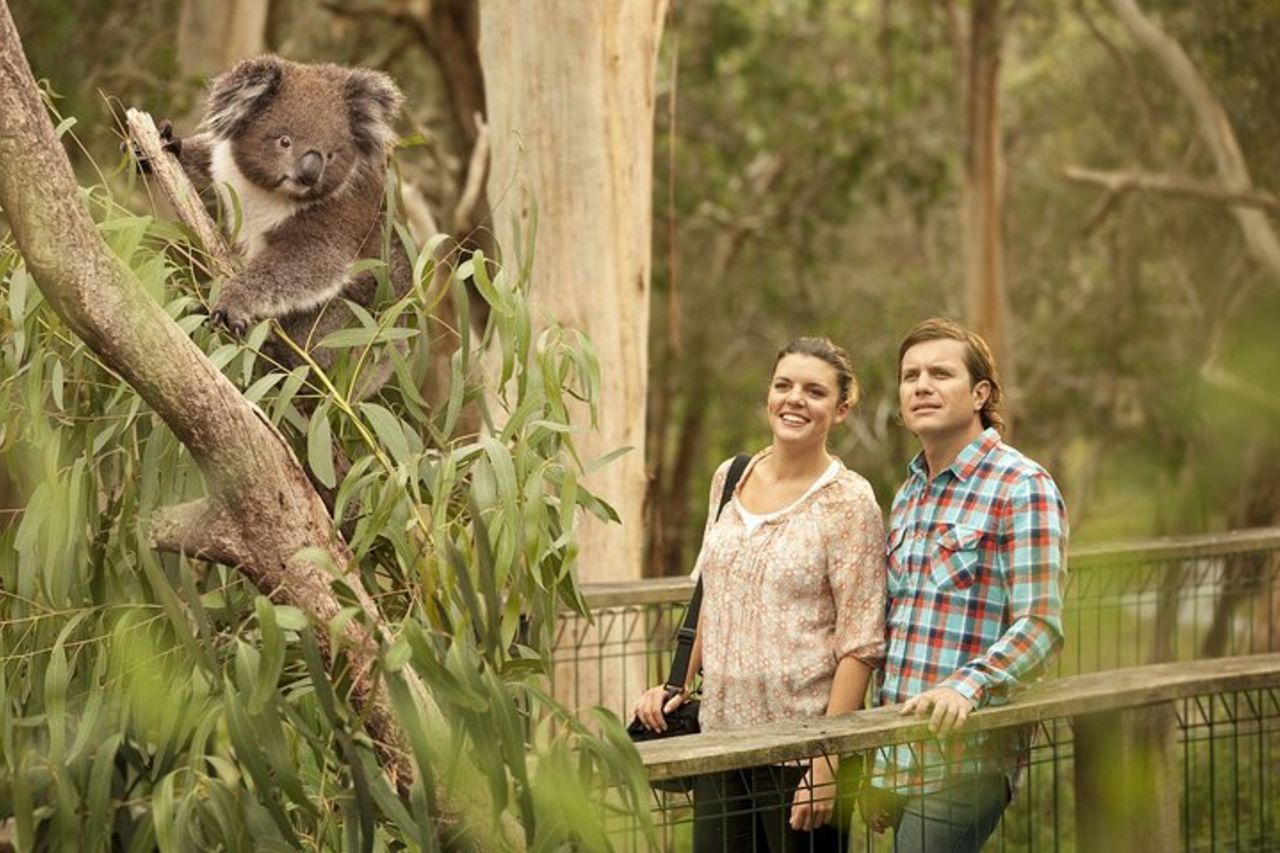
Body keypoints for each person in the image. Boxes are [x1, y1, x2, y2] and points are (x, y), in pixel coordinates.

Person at [632, 337, 887, 853]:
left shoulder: (850, 502)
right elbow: (713, 594)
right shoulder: (730, 477)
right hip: (721, 740)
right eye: (783, 385)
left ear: (840, 410)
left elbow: (860, 642)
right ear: (769, 395)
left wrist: (828, 756)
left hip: (800, 752)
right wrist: (675, 682)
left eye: (814, 391)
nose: (795, 399)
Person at [867, 318, 1067, 852]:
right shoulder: (908, 493)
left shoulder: (1021, 485)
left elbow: (1040, 626)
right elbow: (900, 628)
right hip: (900, 750)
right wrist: (879, 761)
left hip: (968, 758)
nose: (921, 385)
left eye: (939, 373)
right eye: (910, 375)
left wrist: (967, 685)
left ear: (980, 393)